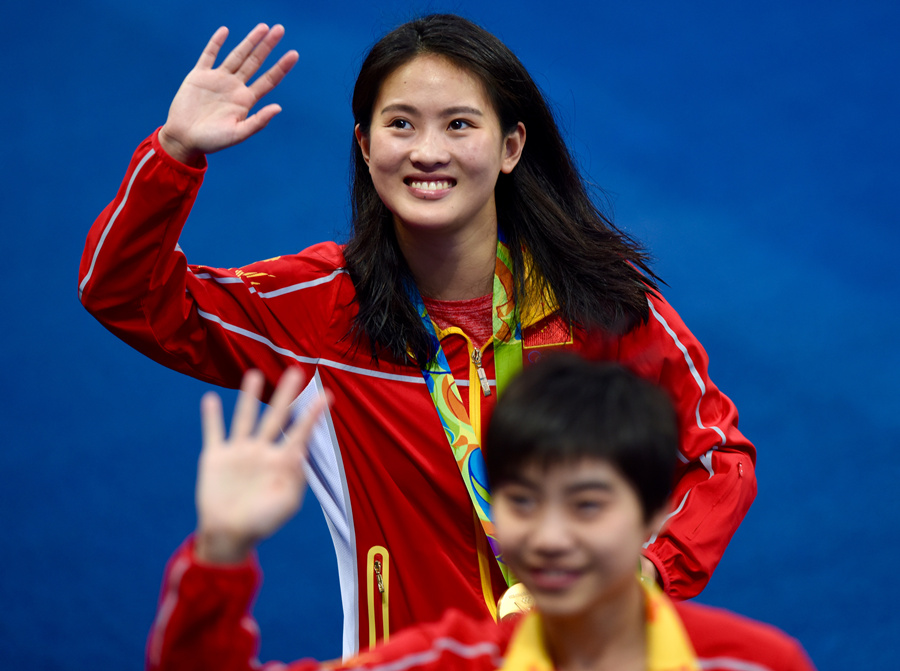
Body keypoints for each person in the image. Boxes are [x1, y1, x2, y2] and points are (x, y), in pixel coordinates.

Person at [80, 14, 757, 656]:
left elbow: (719, 454)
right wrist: (174, 152)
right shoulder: (318, 312)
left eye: (459, 124)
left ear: (511, 146)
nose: (428, 152)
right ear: (366, 145)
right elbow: (124, 292)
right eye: (400, 124)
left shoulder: (602, 308)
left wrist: (651, 570)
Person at [147, 359, 813, 671]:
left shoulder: (754, 663)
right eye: (521, 502)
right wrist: (221, 551)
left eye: (586, 505)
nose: (550, 537)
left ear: (654, 514)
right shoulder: (446, 664)